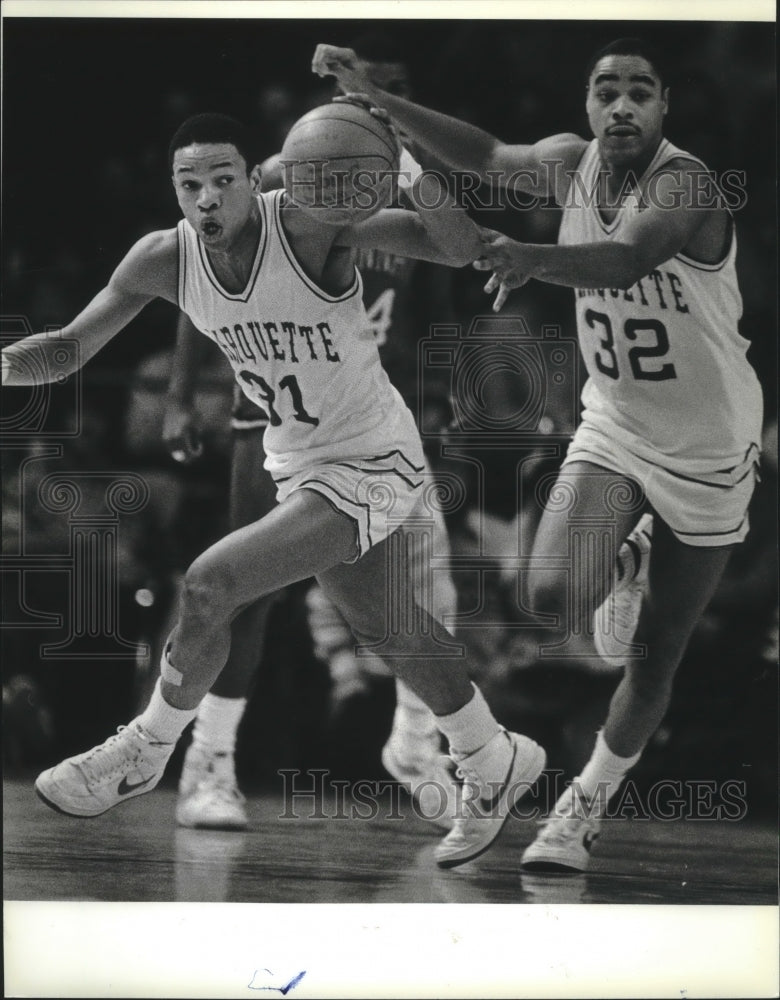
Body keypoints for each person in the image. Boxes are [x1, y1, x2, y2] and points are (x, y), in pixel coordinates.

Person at [3, 110, 547, 870]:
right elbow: (63, 351)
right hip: (295, 460)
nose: (208, 198)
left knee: (210, 583)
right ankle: (492, 752)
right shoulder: (164, 258)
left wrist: (407, 171)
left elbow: (458, 250)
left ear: (251, 180)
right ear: (175, 190)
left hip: (374, 458)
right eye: (190, 184)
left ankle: (147, 748)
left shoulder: (311, 220)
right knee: (392, 630)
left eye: (224, 179)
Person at [312, 36, 764, 871]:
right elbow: (485, 154)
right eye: (605, 90)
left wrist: (528, 257)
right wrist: (382, 107)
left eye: (638, 92)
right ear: (587, 105)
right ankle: (622, 561)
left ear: (664, 106)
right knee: (545, 596)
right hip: (617, 425)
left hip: (709, 443)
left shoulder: (686, 182)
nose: (620, 105)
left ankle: (580, 812)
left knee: (655, 653)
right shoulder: (567, 164)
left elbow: (628, 257)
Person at [162, 37, 459, 831]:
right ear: (338, 85)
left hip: (370, 415)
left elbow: (420, 301)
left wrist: (425, 400)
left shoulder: (408, 180)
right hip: (278, 412)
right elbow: (197, 273)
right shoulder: (275, 175)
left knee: (425, 585)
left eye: (395, 86)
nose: (379, 98)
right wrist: (184, 392)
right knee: (251, 591)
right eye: (367, 84)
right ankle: (210, 763)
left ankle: (417, 742)